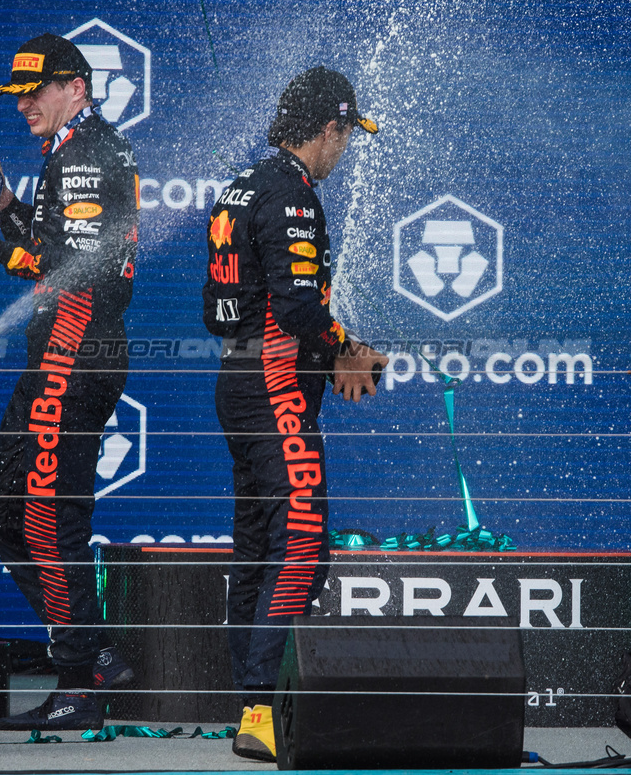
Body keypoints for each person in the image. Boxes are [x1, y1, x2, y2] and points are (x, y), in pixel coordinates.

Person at [0, 33, 140, 731]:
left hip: (76, 348)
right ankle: (97, 652)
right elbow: (59, 246)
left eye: (37, 90)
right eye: (17, 93)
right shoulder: (72, 150)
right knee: (4, 516)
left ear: (76, 88)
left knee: (47, 518)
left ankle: (79, 681)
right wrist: (2, 205)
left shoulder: (87, 153)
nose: (24, 103)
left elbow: (76, 268)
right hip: (57, 350)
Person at [202, 66, 388, 762]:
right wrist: (348, 348)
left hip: (242, 377)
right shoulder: (292, 195)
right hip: (275, 380)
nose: (345, 152)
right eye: (346, 136)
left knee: (258, 545)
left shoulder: (242, 184)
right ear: (330, 128)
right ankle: (262, 709)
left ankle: (253, 707)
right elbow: (300, 309)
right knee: (302, 543)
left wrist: (320, 350)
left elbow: (215, 310)